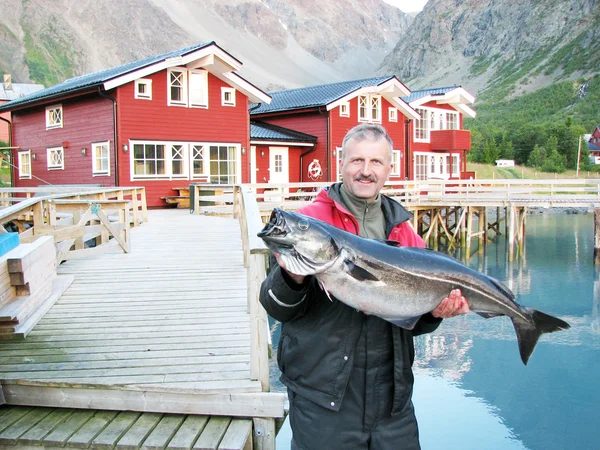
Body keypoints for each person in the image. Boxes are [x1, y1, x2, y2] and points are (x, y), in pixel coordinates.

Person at [259, 123, 470, 450]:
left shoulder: (405, 234)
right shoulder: (308, 223)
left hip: (392, 403)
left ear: (389, 168)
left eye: (376, 162)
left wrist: (435, 313)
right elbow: (276, 307)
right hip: (323, 399)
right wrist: (293, 277)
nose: (366, 171)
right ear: (341, 162)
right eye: (357, 161)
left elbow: (411, 322)